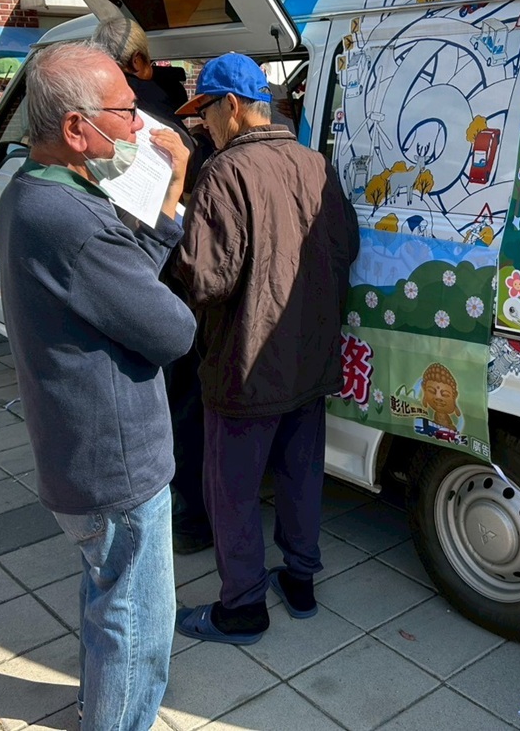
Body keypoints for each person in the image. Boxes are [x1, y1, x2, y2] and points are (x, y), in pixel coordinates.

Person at [0, 40, 195, 729]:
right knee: (135, 632)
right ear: (77, 128)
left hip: (77, 451)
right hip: (116, 464)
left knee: (110, 603)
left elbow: (122, 274)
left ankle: (99, 711)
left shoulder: (33, 191)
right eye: (127, 113)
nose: (141, 127)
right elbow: (172, 330)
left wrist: (169, 192)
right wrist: (171, 198)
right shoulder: (73, 219)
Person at [169, 53, 359, 645]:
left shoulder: (224, 173)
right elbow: (346, 247)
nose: (201, 126)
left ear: (231, 105)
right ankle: (300, 581)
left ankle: (244, 607)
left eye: (204, 112)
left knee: (231, 491)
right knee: (301, 475)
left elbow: (205, 279)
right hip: (311, 357)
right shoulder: (314, 162)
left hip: (245, 365)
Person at [92, 18, 214, 553]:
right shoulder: (175, 120)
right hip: (175, 273)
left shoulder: (104, 123)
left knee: (158, 397)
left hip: (132, 269)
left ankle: (180, 515)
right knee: (183, 399)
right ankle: (190, 516)